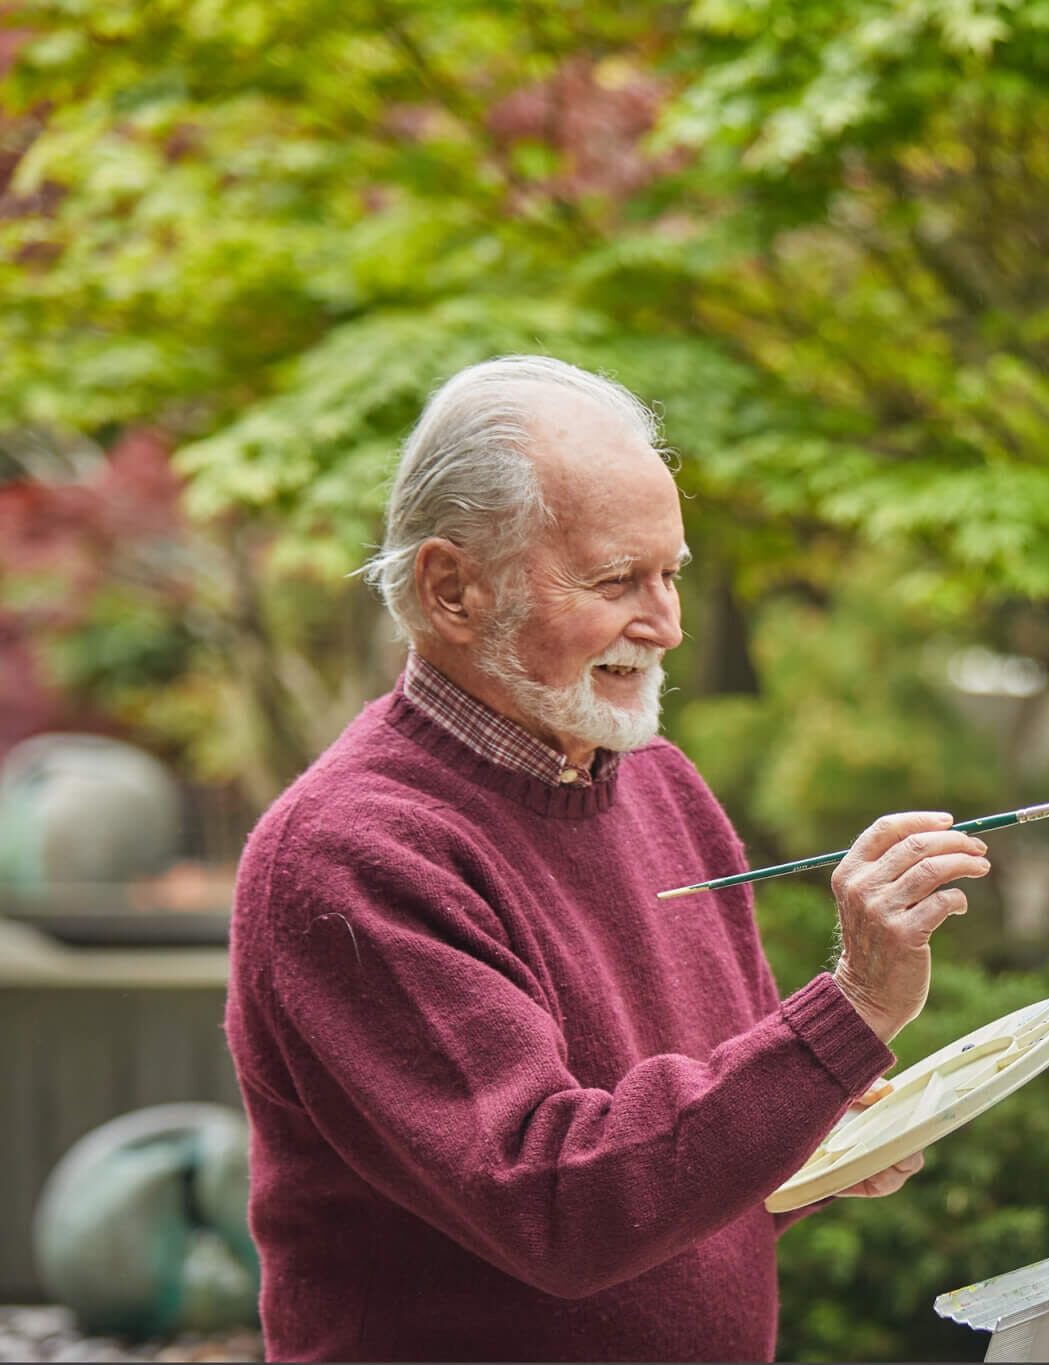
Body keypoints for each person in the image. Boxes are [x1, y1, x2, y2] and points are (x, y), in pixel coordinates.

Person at [224, 356, 991, 1362]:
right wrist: (849, 1013)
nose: (666, 623)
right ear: (452, 588)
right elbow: (558, 1205)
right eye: (615, 580)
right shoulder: (348, 853)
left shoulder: (660, 784)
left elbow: (675, 1157)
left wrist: (813, 1120)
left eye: (670, 573)